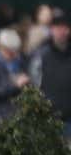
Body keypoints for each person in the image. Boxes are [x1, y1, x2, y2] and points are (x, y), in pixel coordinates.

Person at [30, 8, 71, 137]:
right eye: (58, 28)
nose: (61, 32)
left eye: (65, 28)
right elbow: (33, 85)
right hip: (46, 119)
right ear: (52, 30)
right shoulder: (40, 55)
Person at [0, 30, 29, 135]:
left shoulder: (18, 62)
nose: (14, 55)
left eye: (15, 51)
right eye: (10, 51)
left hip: (13, 118)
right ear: (0, 47)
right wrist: (15, 85)